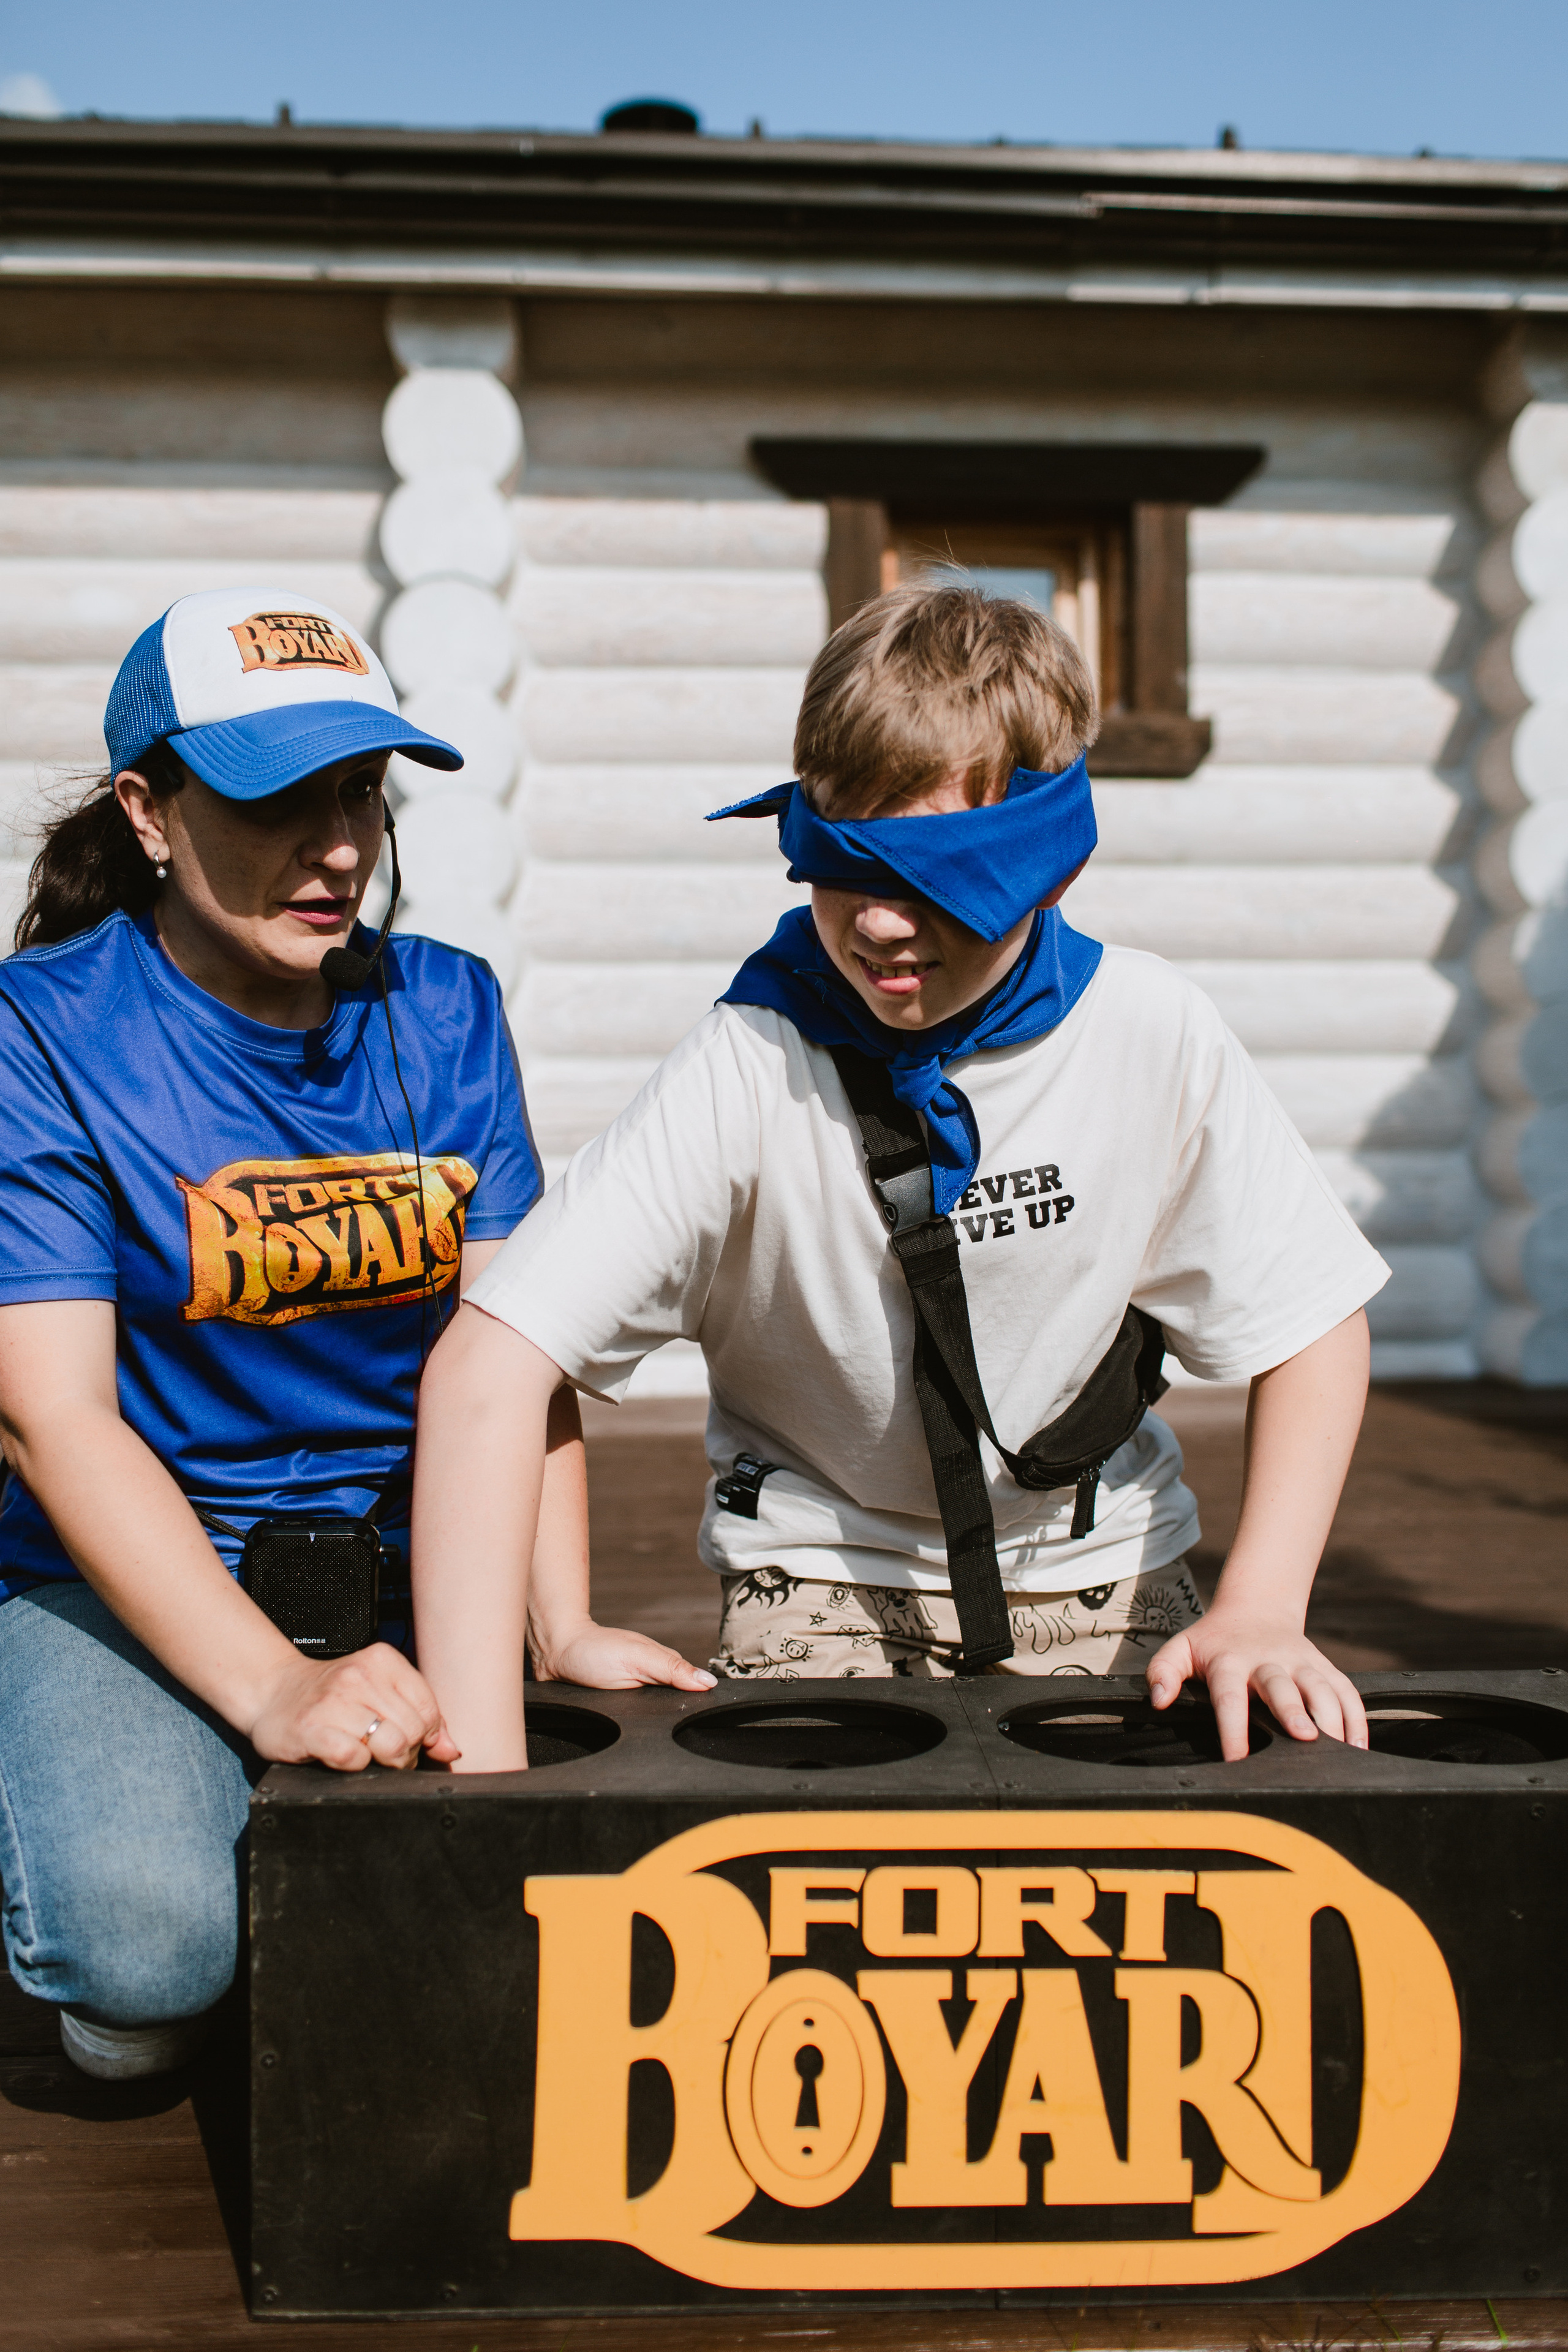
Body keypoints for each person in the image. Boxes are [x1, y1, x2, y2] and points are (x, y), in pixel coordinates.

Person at [411, 582, 1388, 1773]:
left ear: (1048, 863)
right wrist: (483, 1784)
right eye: (835, 863)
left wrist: (1263, 1607)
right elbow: (490, 1368)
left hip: (1100, 1558)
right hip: (822, 1573)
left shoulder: (1146, 1030)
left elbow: (1310, 1322)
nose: (875, 925)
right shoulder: (750, 1061)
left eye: (929, 874)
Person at [0, 588, 704, 2082]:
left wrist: (554, 1624)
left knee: (512, 1916)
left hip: (398, 1566)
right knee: (143, 1969)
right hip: (120, 1578)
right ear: (149, 809)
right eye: (276, 801)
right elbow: (49, 1421)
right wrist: (270, 1689)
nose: (337, 850)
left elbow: (514, 1352)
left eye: (359, 796)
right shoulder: (42, 1035)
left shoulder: (445, 1010)